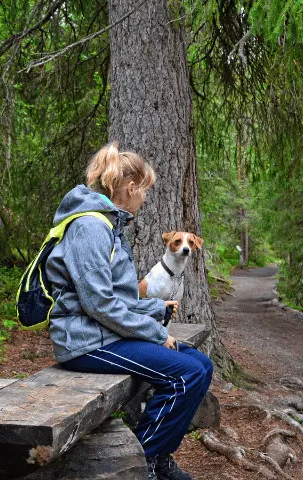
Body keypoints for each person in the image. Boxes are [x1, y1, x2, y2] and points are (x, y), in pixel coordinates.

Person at [45, 142, 213, 480]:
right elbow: (98, 304)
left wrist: (153, 307)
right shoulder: (90, 227)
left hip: (104, 333)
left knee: (202, 366)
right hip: (85, 341)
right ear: (131, 188)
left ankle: (160, 456)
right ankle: (144, 464)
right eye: (145, 191)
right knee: (186, 374)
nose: (146, 199)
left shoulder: (111, 226)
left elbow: (116, 295)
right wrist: (155, 332)